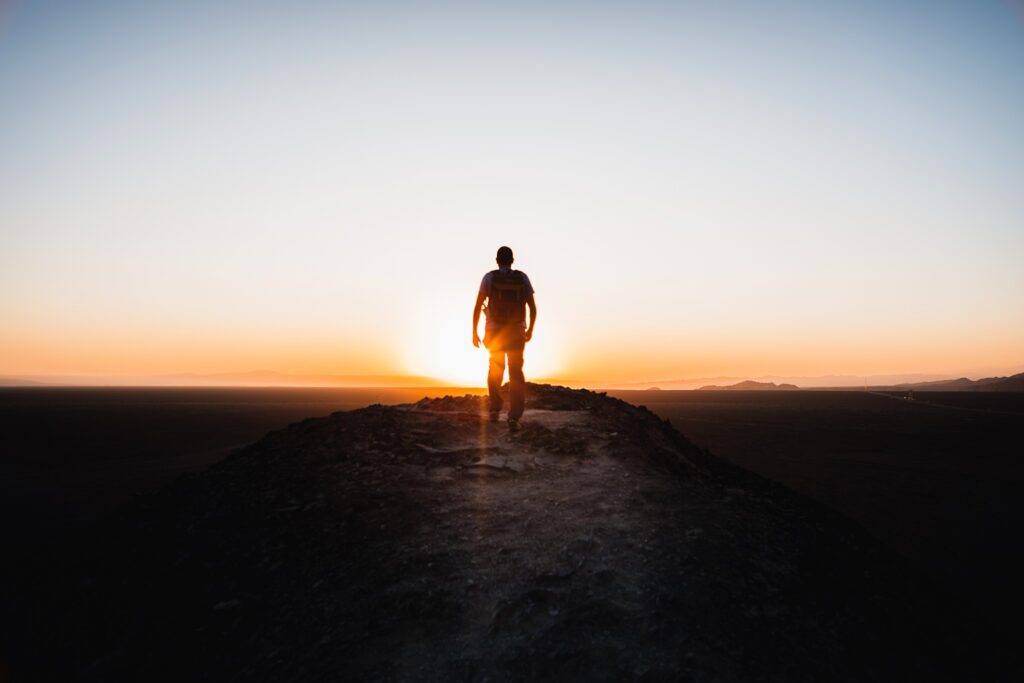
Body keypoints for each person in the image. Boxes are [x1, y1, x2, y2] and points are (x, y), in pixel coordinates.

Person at [472, 246, 536, 430]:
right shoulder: (522, 278)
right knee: (516, 372)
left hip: (494, 331)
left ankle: (494, 409)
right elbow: (532, 308)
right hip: (516, 331)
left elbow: (477, 306)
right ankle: (514, 417)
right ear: (512, 260)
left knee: (495, 369)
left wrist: (474, 332)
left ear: (496, 260)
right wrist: (530, 329)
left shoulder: (489, 278)